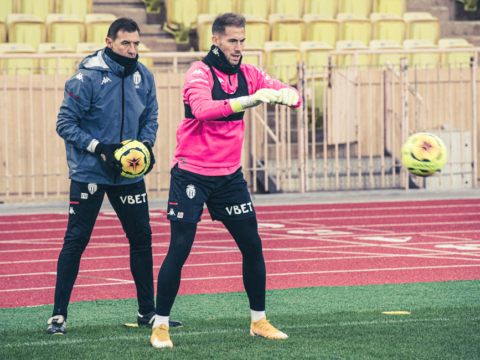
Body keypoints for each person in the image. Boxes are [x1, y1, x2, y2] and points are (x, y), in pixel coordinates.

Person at [150, 13, 301, 348]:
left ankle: (258, 321)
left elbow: (282, 89)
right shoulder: (198, 72)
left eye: (242, 40)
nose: (238, 47)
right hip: (192, 173)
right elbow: (204, 109)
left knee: (252, 245)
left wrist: (290, 94)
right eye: (232, 40)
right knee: (180, 248)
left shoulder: (248, 72)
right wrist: (251, 100)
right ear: (215, 40)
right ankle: (160, 326)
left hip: (229, 176)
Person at [47, 18, 182, 335]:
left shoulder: (144, 76)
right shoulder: (85, 78)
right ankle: (57, 316)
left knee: (142, 240)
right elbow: (65, 124)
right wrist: (99, 147)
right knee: (76, 241)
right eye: (126, 43)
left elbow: (151, 117)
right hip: (90, 171)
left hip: (128, 175)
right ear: (109, 43)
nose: (133, 49)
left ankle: (147, 313)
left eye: (136, 43)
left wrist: (145, 147)